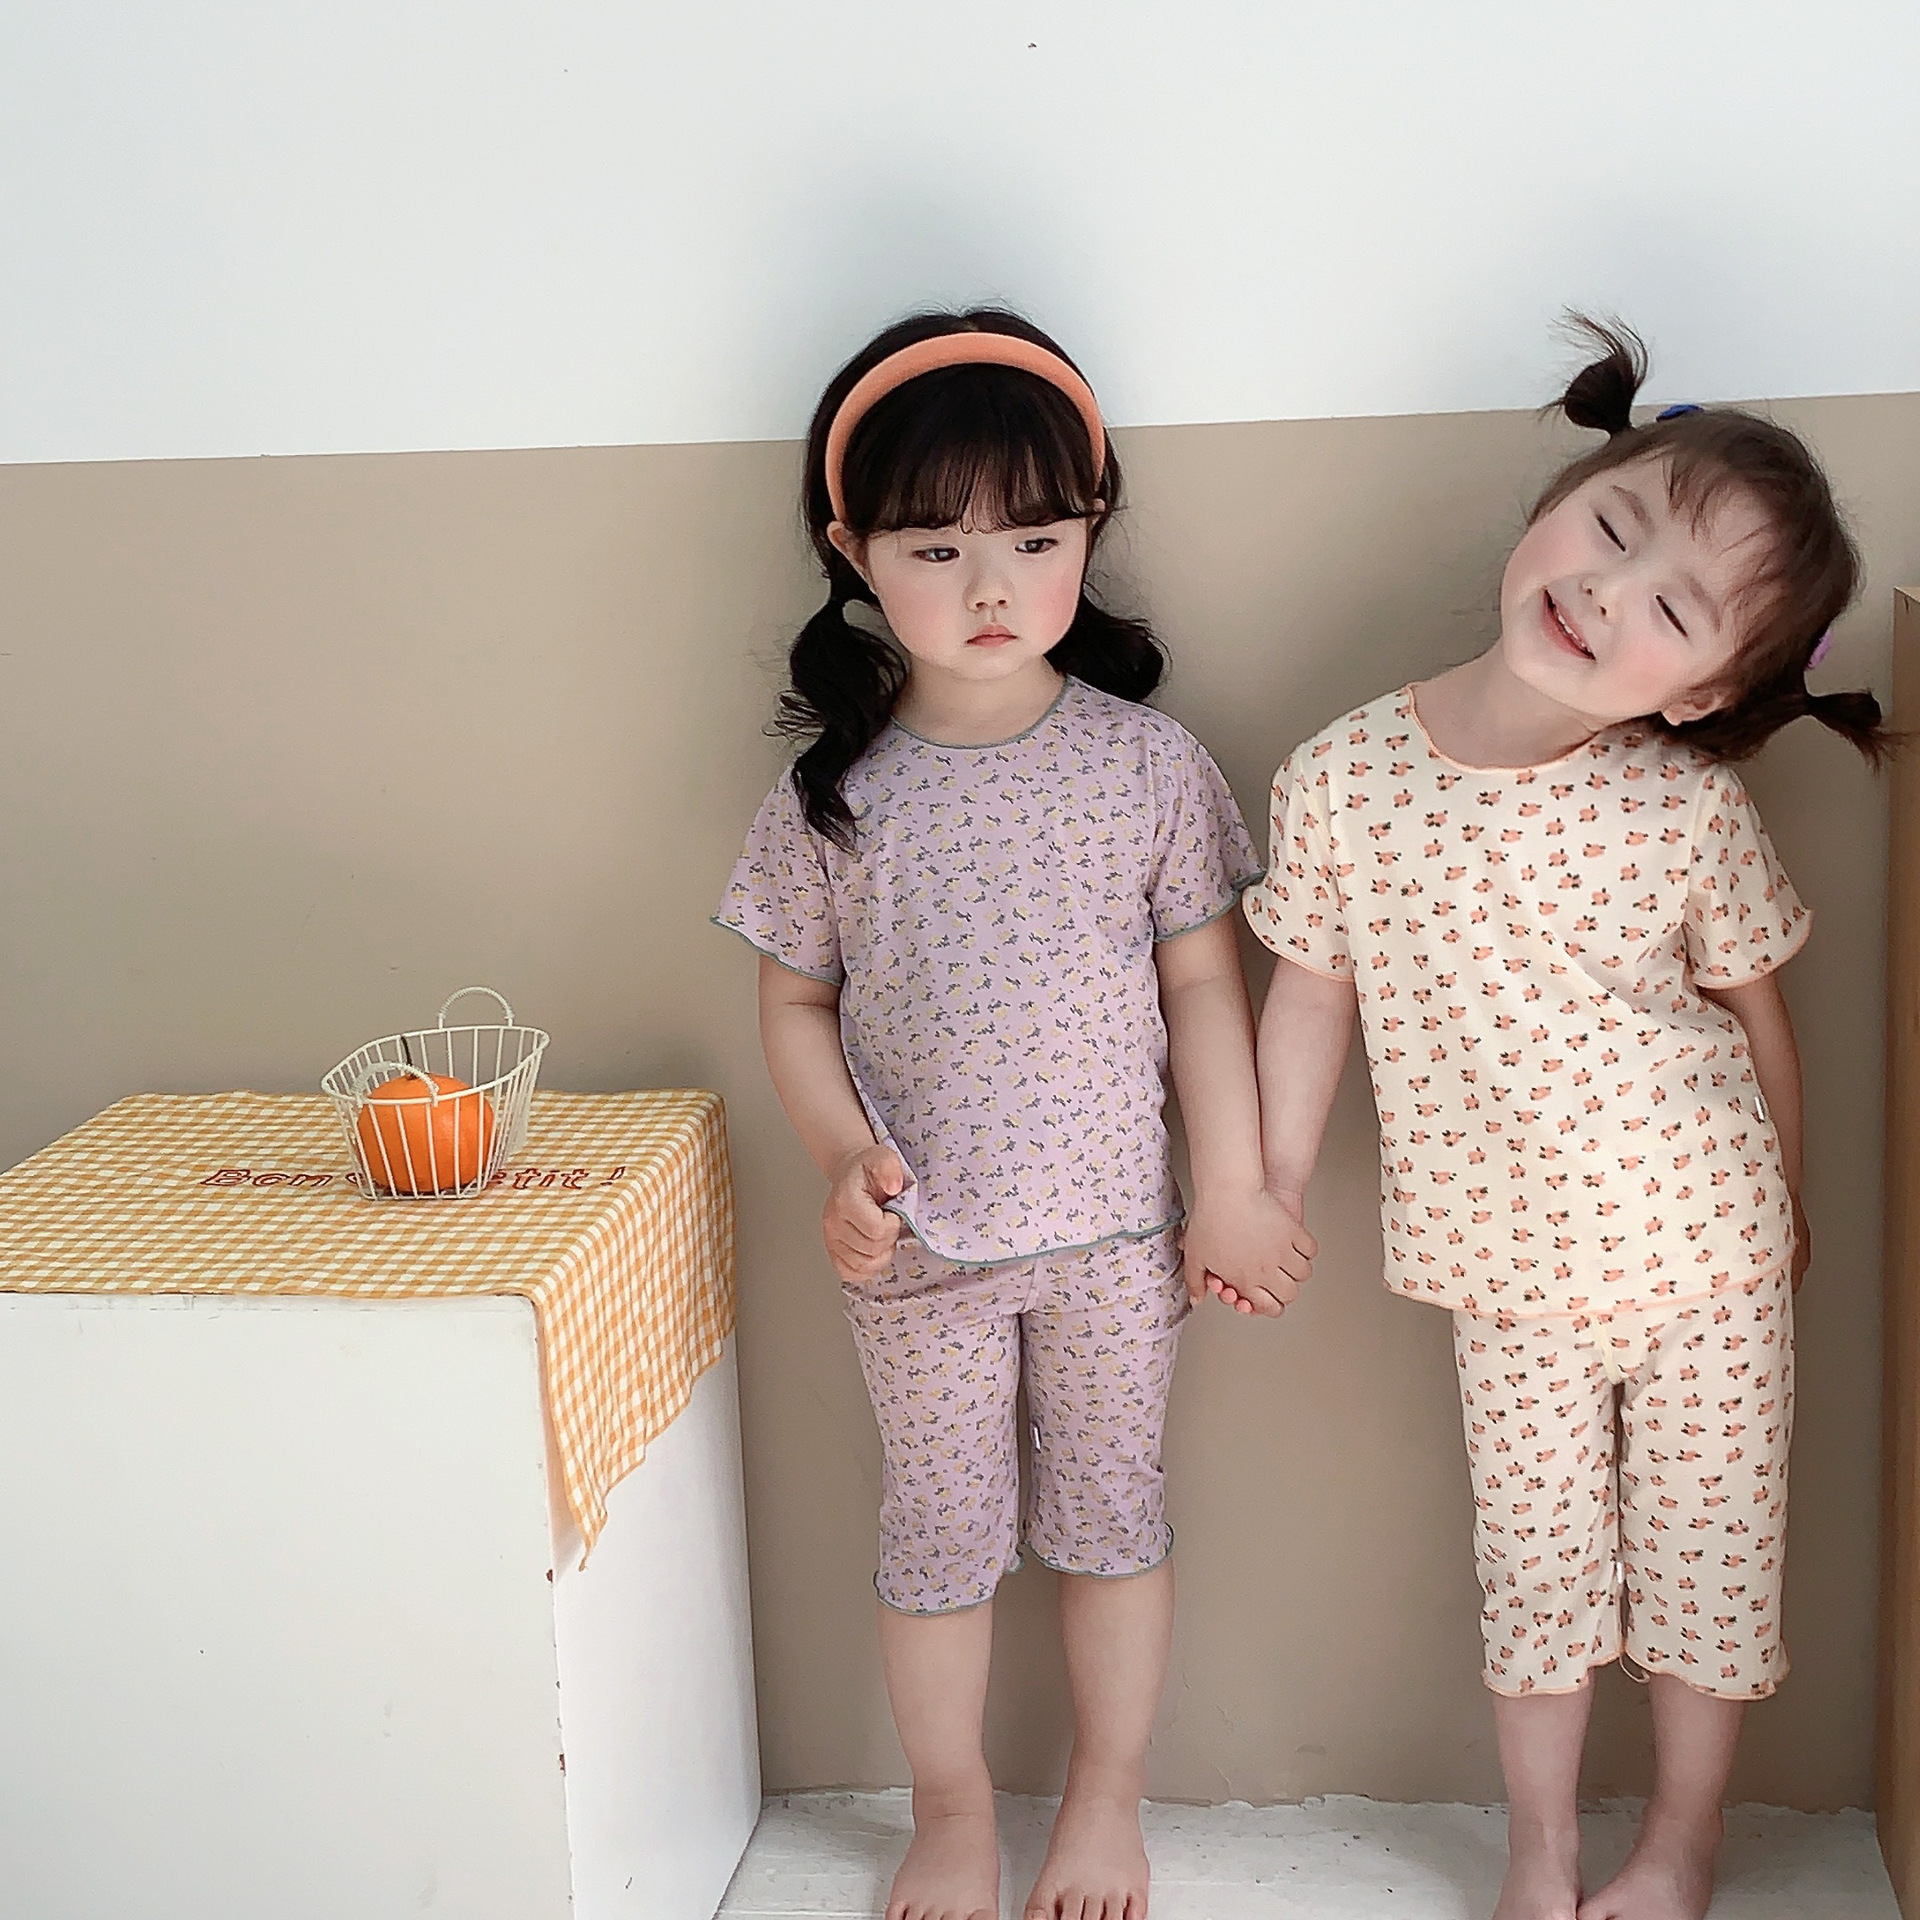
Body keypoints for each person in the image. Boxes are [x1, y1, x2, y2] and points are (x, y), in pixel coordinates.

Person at [1222, 318, 1886, 1920]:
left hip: (1709, 1252)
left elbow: (1756, 1014)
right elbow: (1311, 991)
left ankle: (1680, 1847)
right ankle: (1539, 1853)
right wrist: (1267, 1183)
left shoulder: (1690, 804)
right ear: (1556, 500)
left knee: (1711, 1559)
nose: (1607, 591)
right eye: (1611, 527)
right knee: (1536, 1577)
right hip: (1502, 1268)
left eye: (1673, 608)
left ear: (1706, 690)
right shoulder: (1345, 778)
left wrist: (1789, 1206)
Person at [716, 308, 1310, 1920]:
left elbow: (1207, 990)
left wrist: (1235, 1185)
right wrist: (845, 1162)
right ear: (851, 550)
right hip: (919, 1255)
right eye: (935, 548)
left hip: (1119, 1248)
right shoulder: (834, 798)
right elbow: (793, 1005)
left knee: (1114, 1523)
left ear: (1090, 528)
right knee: (938, 1535)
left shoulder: (1148, 767)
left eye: (1035, 541)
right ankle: (953, 1810)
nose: (991, 588)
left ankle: (1107, 1801)